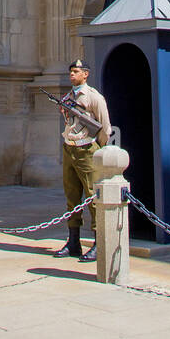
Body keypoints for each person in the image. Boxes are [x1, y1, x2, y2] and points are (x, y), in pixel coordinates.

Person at [54, 59, 111, 262]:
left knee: (92, 197)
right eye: (71, 71)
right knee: (72, 197)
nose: (72, 75)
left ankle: (98, 243)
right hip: (70, 149)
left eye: (76, 71)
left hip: (87, 150)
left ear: (85, 74)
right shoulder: (68, 97)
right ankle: (73, 242)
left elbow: (105, 128)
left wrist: (97, 148)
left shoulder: (94, 98)